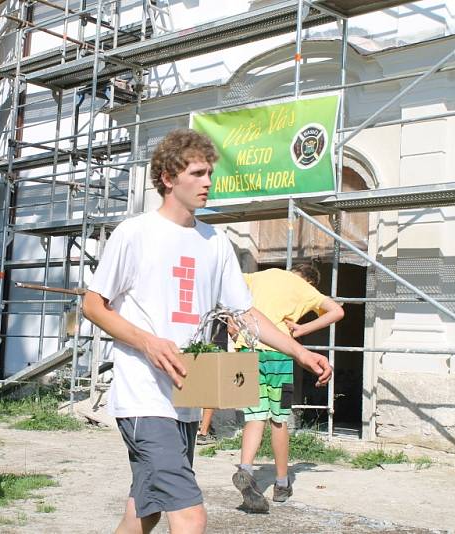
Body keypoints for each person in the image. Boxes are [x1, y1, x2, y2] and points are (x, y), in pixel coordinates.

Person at [82, 128, 332, 534]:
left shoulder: (214, 241)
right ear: (167, 177)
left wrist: (300, 353)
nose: (208, 183)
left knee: (143, 512)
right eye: (197, 173)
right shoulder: (135, 234)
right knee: (191, 516)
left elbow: (245, 312)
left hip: (187, 397)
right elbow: (93, 305)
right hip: (144, 397)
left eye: (209, 173)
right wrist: (146, 341)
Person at [233, 265, 344, 514]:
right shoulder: (305, 288)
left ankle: (246, 469)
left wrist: (233, 324)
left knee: (253, 415)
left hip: (246, 348)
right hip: (278, 352)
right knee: (279, 419)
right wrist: (302, 329)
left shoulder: (262, 275)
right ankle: (282, 484)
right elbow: (337, 311)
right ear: (311, 282)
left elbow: (231, 292)